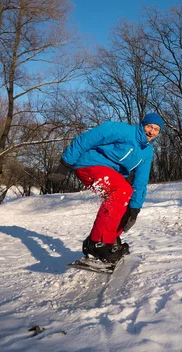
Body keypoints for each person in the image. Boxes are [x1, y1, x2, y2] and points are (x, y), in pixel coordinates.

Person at [49, 113, 164, 263]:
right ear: (142, 125)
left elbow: (141, 181)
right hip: (89, 164)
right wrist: (65, 164)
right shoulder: (124, 131)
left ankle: (110, 238)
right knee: (122, 190)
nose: (151, 132)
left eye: (156, 129)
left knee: (126, 202)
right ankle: (97, 243)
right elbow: (89, 138)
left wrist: (135, 209)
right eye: (149, 126)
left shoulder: (147, 151)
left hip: (108, 173)